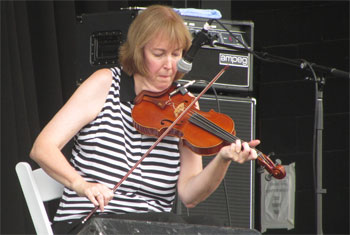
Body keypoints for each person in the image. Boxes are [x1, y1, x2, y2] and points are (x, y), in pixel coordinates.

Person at [29, 4, 260, 234]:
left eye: (176, 54)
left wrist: (222, 159)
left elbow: (190, 195)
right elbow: (43, 148)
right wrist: (81, 184)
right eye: (159, 54)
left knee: (216, 228)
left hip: (153, 227)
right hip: (92, 224)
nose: (170, 65)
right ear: (138, 52)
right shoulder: (105, 84)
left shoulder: (185, 104)